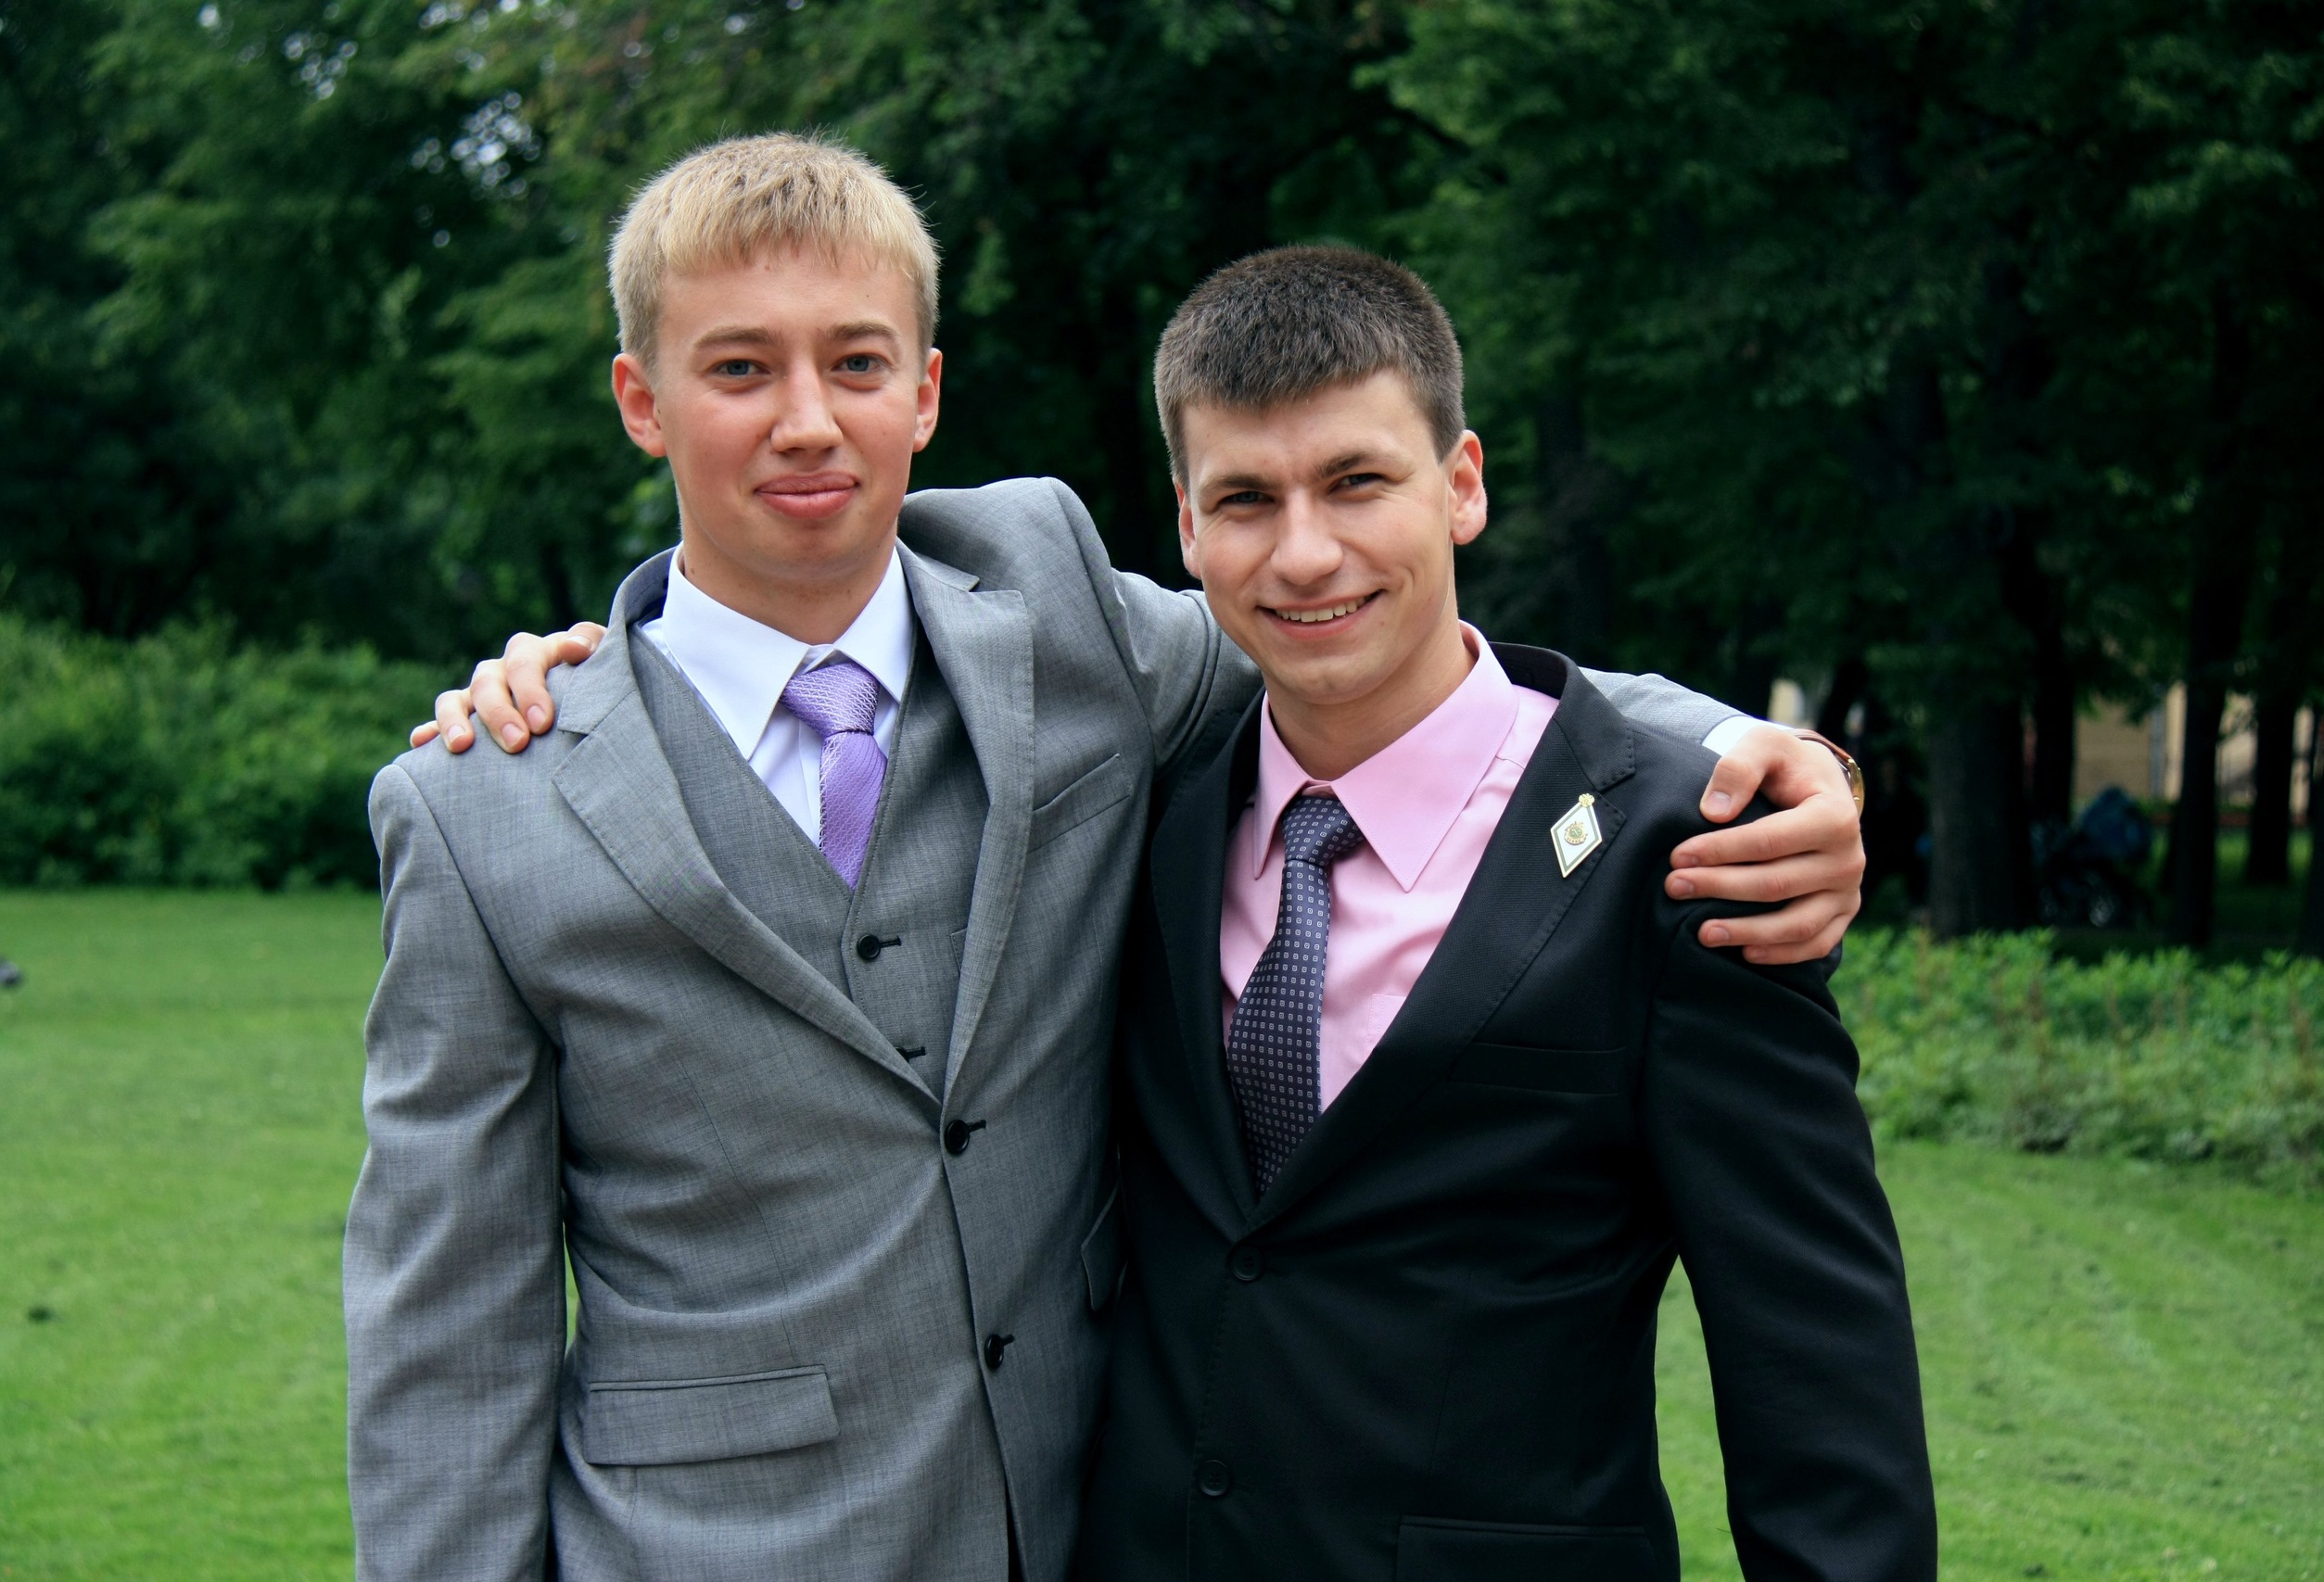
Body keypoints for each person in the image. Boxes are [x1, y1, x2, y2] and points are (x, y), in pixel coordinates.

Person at [355, 133, 1866, 1581]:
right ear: (642, 399)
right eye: (740, 368)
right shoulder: (489, 805)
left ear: (926, 392)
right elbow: (448, 1341)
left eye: (858, 363)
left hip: (1098, 1531)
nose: (807, 420)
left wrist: (1766, 753)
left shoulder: (1061, 622)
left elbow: (1386, 651)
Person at [1073, 248, 1932, 1580]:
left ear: (1461, 484)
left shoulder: (1679, 856)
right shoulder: (1144, 818)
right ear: (1187, 528)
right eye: (1246, 499)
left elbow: (1817, 1360)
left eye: (1357, 482)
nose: (1305, 552)